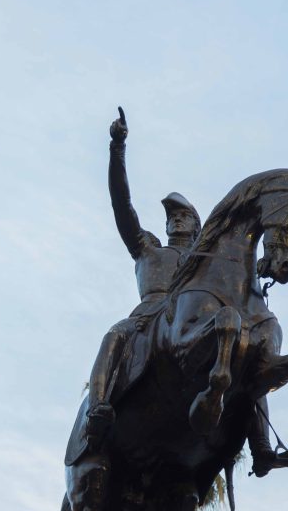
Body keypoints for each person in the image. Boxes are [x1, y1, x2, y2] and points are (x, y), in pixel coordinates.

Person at [82, 107, 201, 450]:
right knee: (114, 336)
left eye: (184, 216)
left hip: (187, 323)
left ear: (196, 227)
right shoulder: (146, 249)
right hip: (145, 320)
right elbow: (122, 204)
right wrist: (117, 149)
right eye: (172, 217)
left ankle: (258, 439)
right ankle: (97, 409)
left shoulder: (202, 262)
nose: (176, 220)